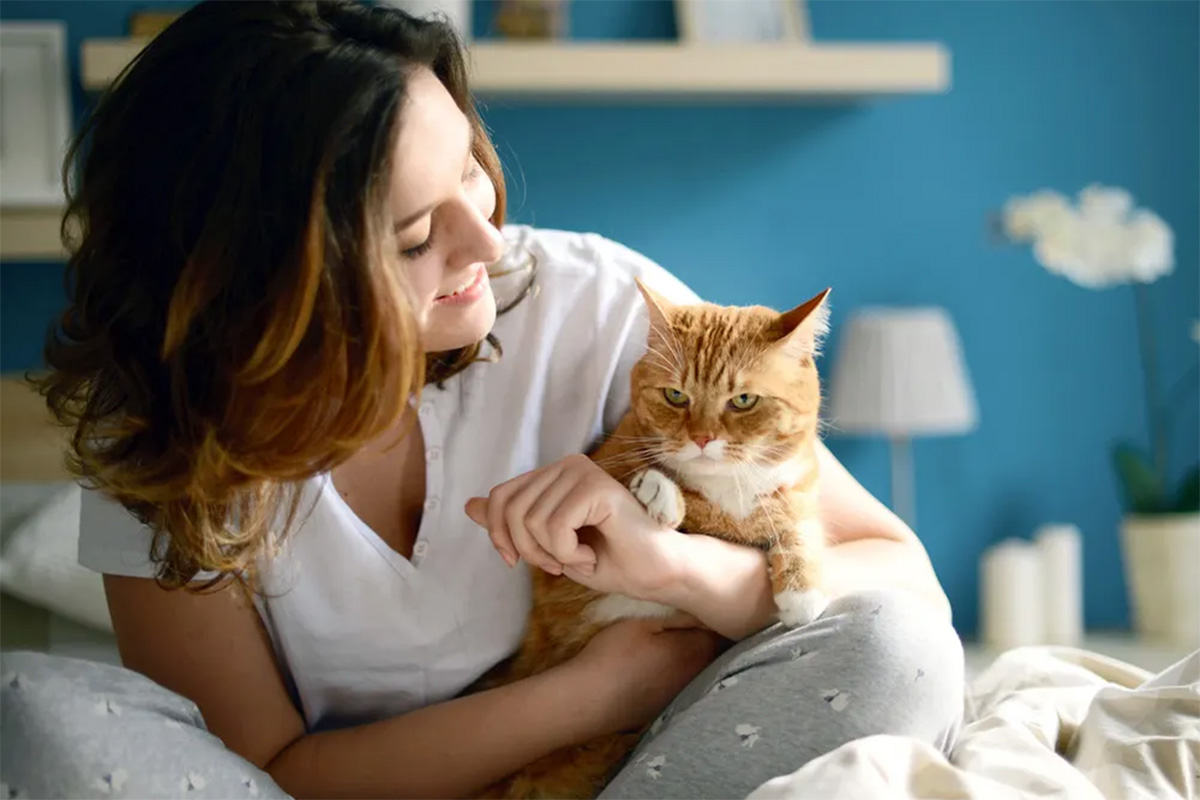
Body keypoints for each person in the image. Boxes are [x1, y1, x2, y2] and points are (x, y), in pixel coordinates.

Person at [0, 2, 963, 799]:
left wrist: (675, 571)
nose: (490, 244)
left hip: (627, 778)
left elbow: (894, 575)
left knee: (899, 650)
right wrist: (596, 692)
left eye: (470, 167)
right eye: (418, 235)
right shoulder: (161, 446)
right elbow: (268, 772)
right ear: (269, 288)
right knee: (36, 721)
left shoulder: (595, 306)